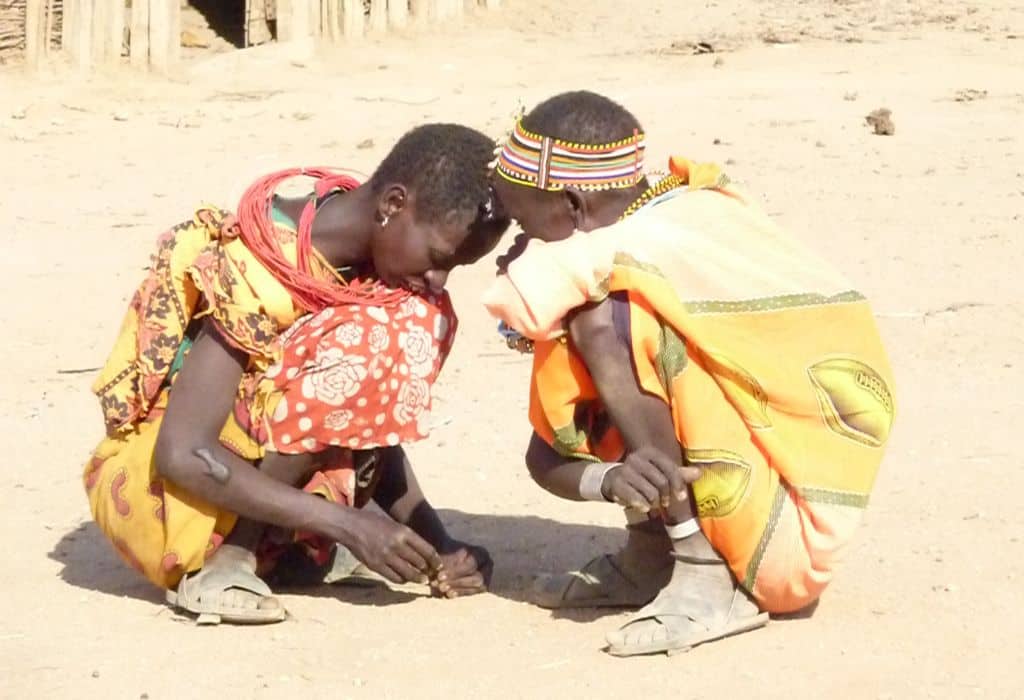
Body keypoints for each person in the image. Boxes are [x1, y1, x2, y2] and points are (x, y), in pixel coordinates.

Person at [483, 91, 896, 656]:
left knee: (602, 321)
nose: (519, 239)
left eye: (523, 220)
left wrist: (529, 272)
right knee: (592, 315)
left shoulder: (642, 244)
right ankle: (652, 557)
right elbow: (542, 448)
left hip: (785, 524)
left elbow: (520, 302)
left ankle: (706, 573)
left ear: (574, 207)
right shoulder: (671, 206)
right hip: (755, 486)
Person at [85, 123, 510, 625]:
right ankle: (227, 561)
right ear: (393, 204)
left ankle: (281, 547)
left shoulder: (374, 268)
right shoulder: (255, 266)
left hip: (254, 496)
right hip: (170, 505)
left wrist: (441, 546)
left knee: (410, 318)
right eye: (440, 258)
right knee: (386, 329)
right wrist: (350, 525)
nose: (438, 279)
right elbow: (182, 453)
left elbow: (355, 420)